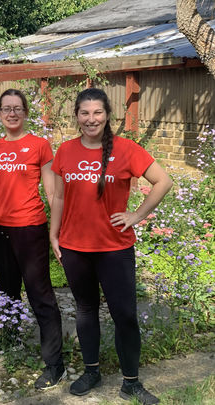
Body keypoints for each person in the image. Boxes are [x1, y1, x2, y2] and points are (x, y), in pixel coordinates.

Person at [50, 88, 172, 405]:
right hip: (75, 247)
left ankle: (131, 382)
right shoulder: (65, 150)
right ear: (76, 116)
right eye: (85, 113)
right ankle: (92, 371)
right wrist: (54, 235)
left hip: (114, 248)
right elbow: (59, 197)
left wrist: (137, 215)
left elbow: (163, 181)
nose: (91, 119)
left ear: (107, 115)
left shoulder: (126, 149)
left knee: (125, 315)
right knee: (86, 310)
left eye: (97, 113)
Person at [0, 88, 65, 390]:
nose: (12, 113)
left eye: (17, 108)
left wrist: (58, 231)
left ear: (26, 113)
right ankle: (8, 337)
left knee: (40, 294)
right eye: (6, 108)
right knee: (6, 289)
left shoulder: (39, 145)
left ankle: (54, 363)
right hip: (0, 228)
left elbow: (51, 191)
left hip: (29, 228)